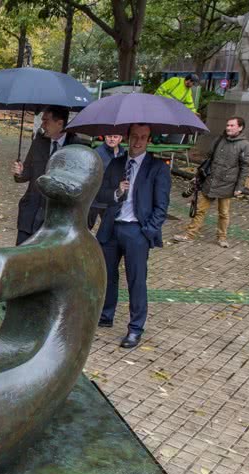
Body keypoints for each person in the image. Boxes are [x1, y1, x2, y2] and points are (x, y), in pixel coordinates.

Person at [95, 123, 171, 349]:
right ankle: (106, 315)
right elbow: (101, 193)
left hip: (137, 230)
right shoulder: (117, 163)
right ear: (127, 137)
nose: (138, 141)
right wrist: (117, 191)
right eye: (135, 136)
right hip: (111, 227)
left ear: (149, 140)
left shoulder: (157, 168)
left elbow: (161, 207)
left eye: (143, 137)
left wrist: (147, 232)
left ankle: (135, 328)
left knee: (136, 280)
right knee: (107, 275)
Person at [11, 105, 85, 245]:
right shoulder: (39, 141)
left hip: (56, 220)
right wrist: (19, 172)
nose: (42, 125)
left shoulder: (76, 147)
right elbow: (26, 174)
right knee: (21, 254)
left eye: (46, 121)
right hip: (30, 213)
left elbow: (78, 187)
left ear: (60, 123)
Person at [174, 116, 249, 248]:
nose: (228, 128)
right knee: (200, 210)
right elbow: (208, 159)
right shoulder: (219, 140)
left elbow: (245, 167)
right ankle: (189, 235)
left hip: (227, 184)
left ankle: (222, 238)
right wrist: (199, 175)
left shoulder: (245, 145)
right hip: (210, 181)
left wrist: (239, 187)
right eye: (227, 125)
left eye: (232, 125)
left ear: (240, 127)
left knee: (224, 213)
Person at [90, 134, 127, 229]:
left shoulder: (123, 153)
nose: (112, 139)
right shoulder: (96, 153)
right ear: (105, 137)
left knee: (110, 229)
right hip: (96, 199)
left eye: (115, 137)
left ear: (120, 139)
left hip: (113, 199)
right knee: (86, 227)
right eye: (109, 136)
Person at [222, 2, 249, 92]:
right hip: (243, 40)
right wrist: (228, 18)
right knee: (240, 61)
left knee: (245, 61)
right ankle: (240, 84)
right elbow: (239, 19)